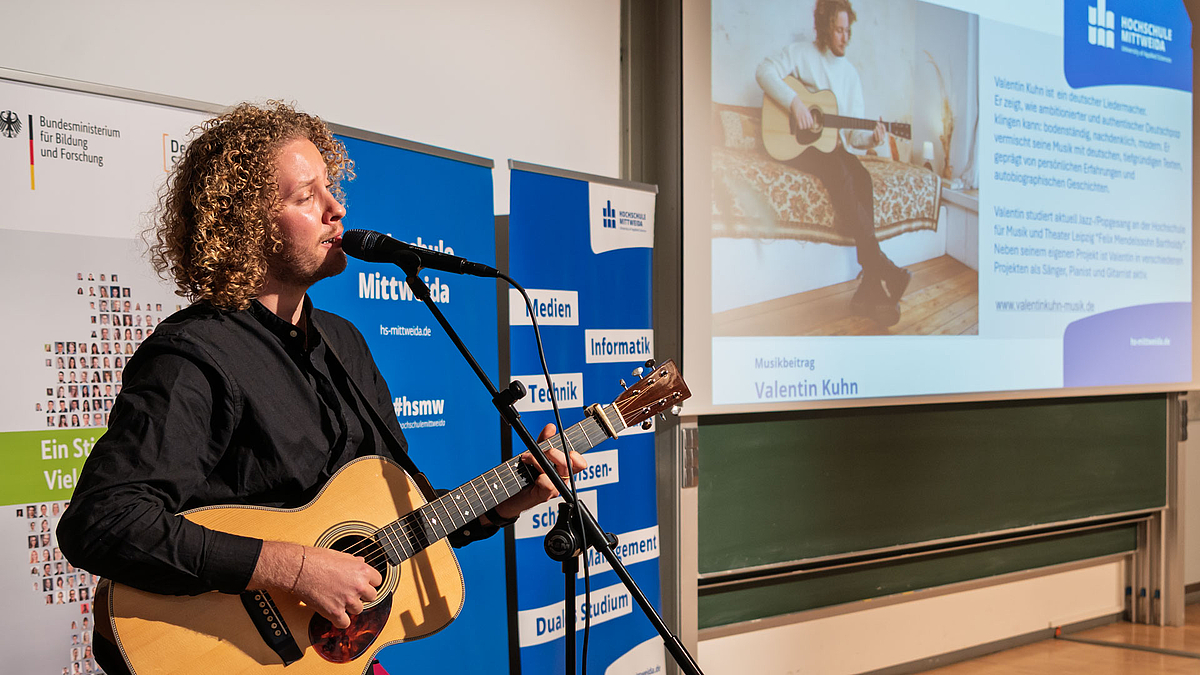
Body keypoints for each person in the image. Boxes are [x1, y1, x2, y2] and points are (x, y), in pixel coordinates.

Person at [57, 102, 586, 674]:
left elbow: (397, 532)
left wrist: (505, 504)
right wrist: (294, 570)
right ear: (243, 226)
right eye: (307, 197)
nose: (338, 209)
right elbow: (103, 521)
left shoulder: (345, 343)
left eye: (330, 189)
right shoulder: (194, 353)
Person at [756, 0, 910, 326]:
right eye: (839, 30)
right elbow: (763, 71)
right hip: (792, 146)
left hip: (828, 147)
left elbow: (853, 140)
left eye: (848, 30)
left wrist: (874, 138)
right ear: (825, 28)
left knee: (862, 177)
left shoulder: (851, 75)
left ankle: (869, 287)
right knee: (837, 169)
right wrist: (795, 103)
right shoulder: (800, 53)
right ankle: (882, 266)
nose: (844, 37)